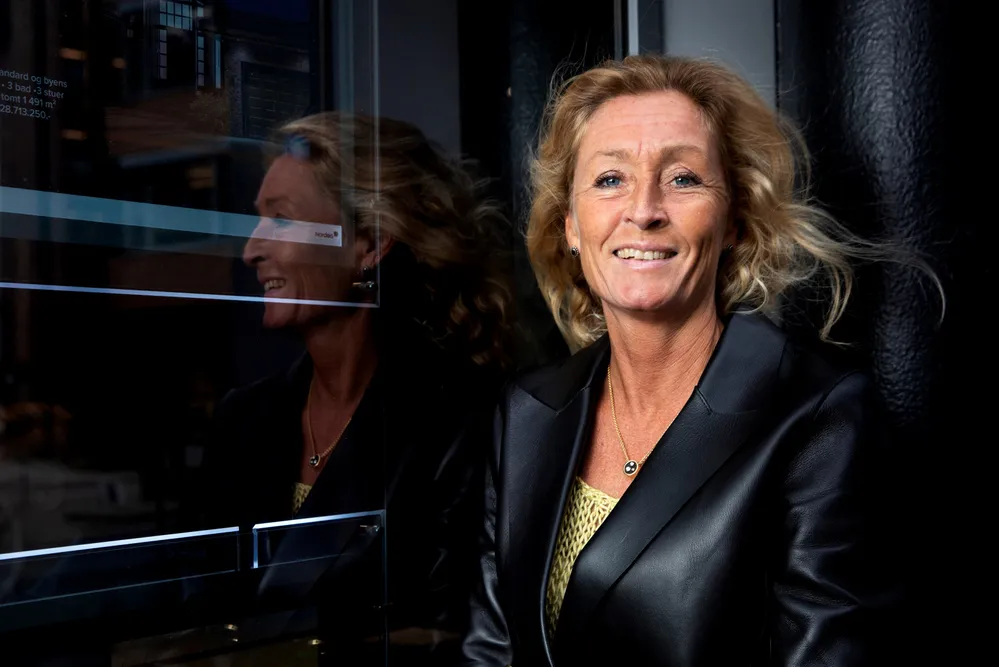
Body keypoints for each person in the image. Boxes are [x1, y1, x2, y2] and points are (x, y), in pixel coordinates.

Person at [460, 55, 911, 666]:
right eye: (610, 179)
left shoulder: (819, 418)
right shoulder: (527, 411)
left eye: (683, 179)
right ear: (570, 226)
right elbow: (492, 650)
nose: (644, 210)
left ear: (734, 222)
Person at [196, 112, 512, 662]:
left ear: (369, 243)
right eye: (258, 219)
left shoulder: (463, 423)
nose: (251, 249)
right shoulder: (242, 418)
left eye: (281, 220)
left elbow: (453, 640)